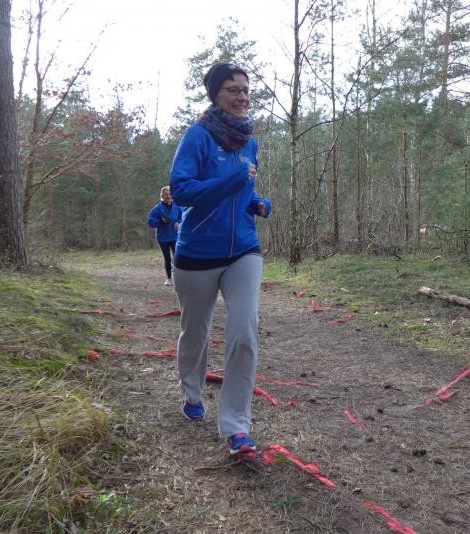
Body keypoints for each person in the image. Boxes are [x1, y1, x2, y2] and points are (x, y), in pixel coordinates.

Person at [168, 62, 272, 460]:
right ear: (215, 95)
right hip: (197, 252)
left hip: (243, 249)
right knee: (195, 332)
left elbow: (242, 192)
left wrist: (257, 203)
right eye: (233, 89)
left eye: (246, 89)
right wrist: (234, 181)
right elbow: (182, 190)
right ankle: (192, 392)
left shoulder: (250, 142)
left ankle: (236, 428)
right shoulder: (197, 136)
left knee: (244, 333)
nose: (242, 96)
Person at [146, 186, 183, 286]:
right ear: (162, 196)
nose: (168, 196)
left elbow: (183, 217)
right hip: (163, 238)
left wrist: (179, 222)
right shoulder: (157, 209)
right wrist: (160, 222)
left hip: (175, 236)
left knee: (177, 257)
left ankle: (178, 278)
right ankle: (169, 278)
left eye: (170, 194)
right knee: (167, 258)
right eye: (166, 195)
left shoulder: (177, 207)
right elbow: (150, 222)